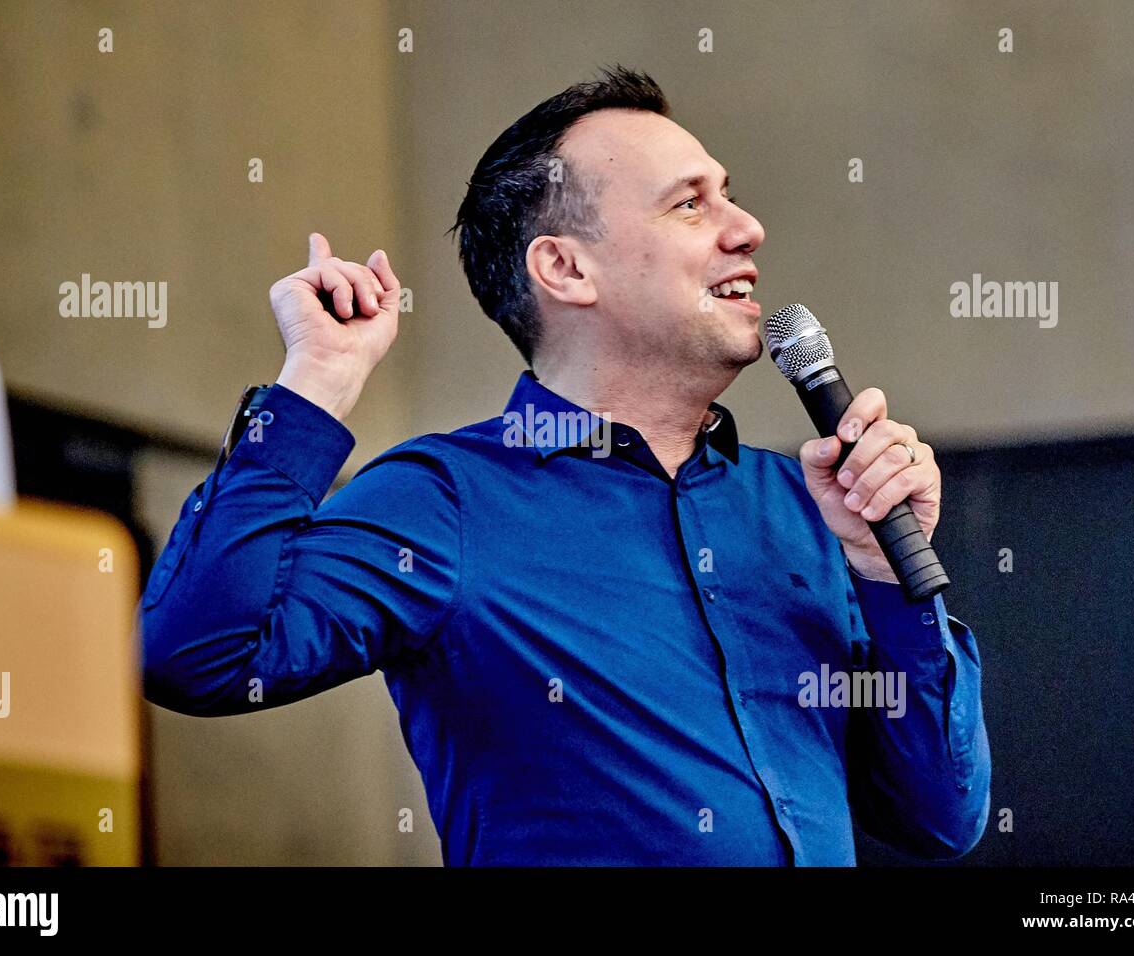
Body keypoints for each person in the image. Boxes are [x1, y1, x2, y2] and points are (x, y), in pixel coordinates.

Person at [141, 66, 991, 866]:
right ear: (565, 267)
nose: (746, 227)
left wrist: (884, 573)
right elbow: (198, 656)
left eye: (729, 195)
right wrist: (314, 386)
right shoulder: (445, 501)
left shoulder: (806, 508)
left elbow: (938, 818)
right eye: (689, 205)